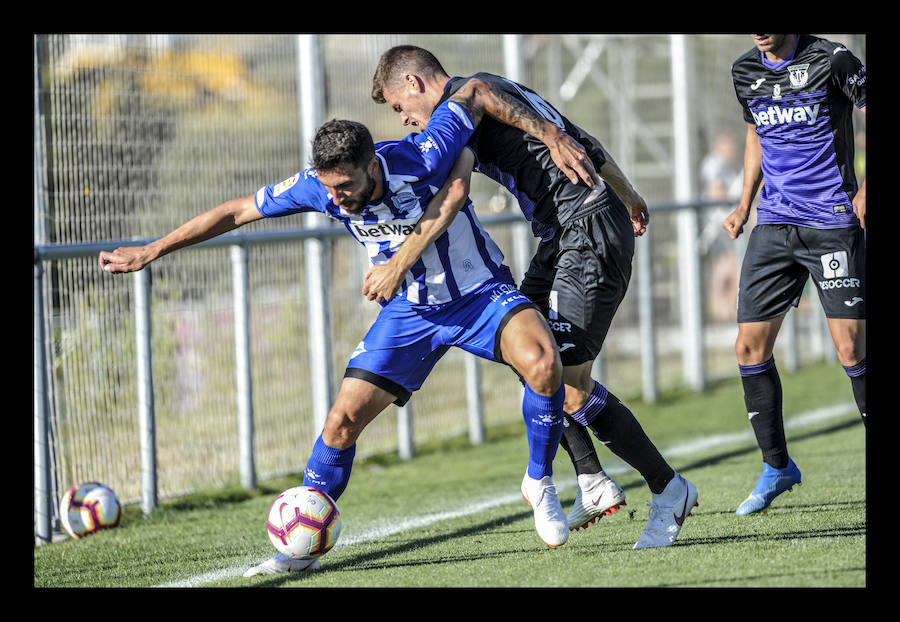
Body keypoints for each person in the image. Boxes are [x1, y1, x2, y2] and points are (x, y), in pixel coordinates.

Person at [99, 105, 572, 575]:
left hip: (478, 293)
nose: (337, 198)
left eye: (345, 185)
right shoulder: (320, 187)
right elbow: (236, 211)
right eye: (329, 187)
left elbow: (469, 97)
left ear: (371, 166)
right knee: (341, 421)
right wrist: (152, 249)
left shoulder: (421, 156)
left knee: (543, 362)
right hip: (410, 311)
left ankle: (539, 482)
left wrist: (539, 134)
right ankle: (299, 551)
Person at [369, 45, 698, 549]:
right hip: (564, 232)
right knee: (528, 353)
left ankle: (668, 488)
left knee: (568, 385)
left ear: (413, 82)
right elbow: (585, 142)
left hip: (585, 228)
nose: (406, 120)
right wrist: (627, 192)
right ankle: (590, 478)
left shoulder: (469, 93)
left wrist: (551, 136)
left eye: (398, 107)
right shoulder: (498, 96)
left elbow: (513, 112)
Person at [723, 34, 866, 516]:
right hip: (774, 223)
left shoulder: (834, 59)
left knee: (851, 348)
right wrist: (744, 204)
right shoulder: (745, 71)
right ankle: (777, 465)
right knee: (748, 347)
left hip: (831, 222)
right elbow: (755, 134)